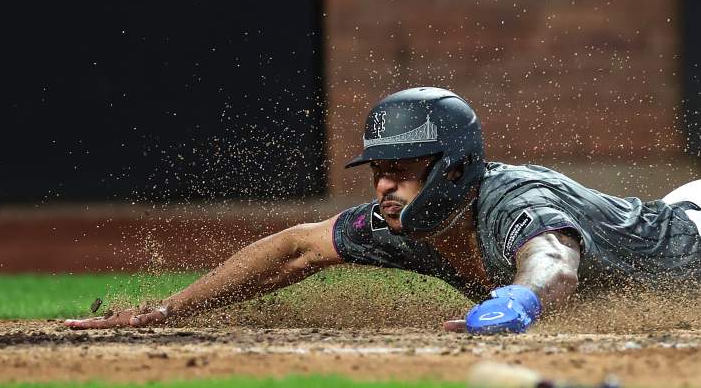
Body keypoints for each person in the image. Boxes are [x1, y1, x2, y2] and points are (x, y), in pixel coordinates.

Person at [65, 87, 701, 334]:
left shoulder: (514, 200)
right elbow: (297, 248)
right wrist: (167, 310)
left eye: (402, 171)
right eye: (379, 172)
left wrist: (521, 300)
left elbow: (554, 260)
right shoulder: (403, 221)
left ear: (452, 171)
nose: (384, 188)